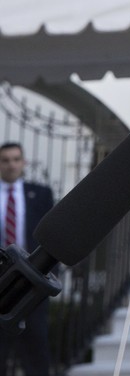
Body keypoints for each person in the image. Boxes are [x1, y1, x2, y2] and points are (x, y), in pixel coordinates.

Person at [1, 142, 55, 376]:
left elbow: (53, 237)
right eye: (5, 160)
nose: (11, 165)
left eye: (16, 159)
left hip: (33, 281)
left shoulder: (41, 194)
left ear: (23, 162)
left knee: (36, 343)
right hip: (1, 281)